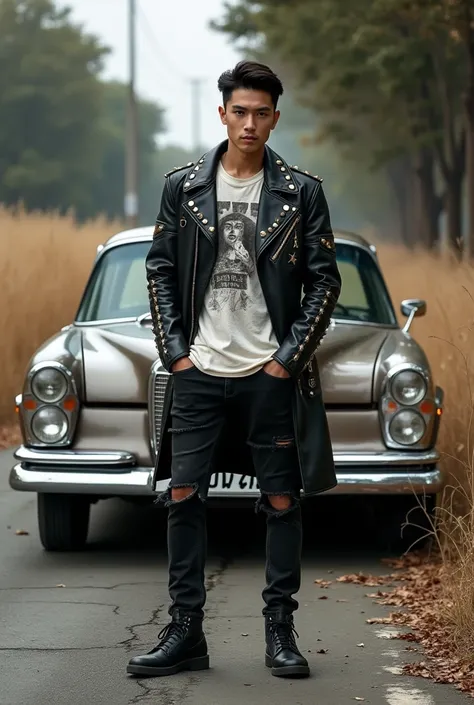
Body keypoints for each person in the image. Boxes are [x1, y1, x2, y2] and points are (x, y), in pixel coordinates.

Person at [127, 60, 341, 680]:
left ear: (276, 117)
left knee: (280, 501)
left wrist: (285, 360)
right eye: (239, 111)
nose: (249, 123)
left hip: (267, 373)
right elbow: (161, 267)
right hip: (199, 370)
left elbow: (324, 283)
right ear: (222, 113)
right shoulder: (184, 187)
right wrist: (177, 353)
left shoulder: (301, 193)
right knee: (184, 495)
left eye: (261, 112)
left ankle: (280, 633)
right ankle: (185, 633)